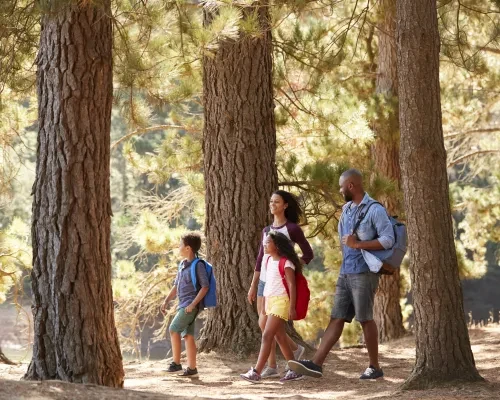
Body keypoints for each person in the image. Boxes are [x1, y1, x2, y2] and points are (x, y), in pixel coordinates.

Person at [288, 169, 395, 380]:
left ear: (351, 186)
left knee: (365, 319)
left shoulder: (375, 210)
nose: (339, 190)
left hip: (364, 272)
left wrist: (359, 244)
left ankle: (374, 367)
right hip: (346, 272)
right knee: (336, 317)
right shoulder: (346, 210)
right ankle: (316, 364)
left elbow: (388, 239)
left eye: (341, 186)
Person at [247, 190, 314, 378]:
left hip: (281, 285)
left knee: (269, 328)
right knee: (265, 326)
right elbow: (260, 260)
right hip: (264, 283)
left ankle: (278, 365)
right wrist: (253, 286)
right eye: (271, 201)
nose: (272, 205)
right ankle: (276, 364)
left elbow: (308, 254)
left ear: (285, 205)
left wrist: (290, 265)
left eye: (276, 202)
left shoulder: (292, 229)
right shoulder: (266, 231)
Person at [241, 231, 305, 383]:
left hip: (282, 302)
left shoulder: (286, 263)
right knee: (280, 337)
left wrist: (292, 307)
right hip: (269, 301)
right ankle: (294, 370)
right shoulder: (268, 260)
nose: (265, 244)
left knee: (267, 335)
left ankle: (256, 372)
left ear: (277, 245)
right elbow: (268, 284)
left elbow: (292, 285)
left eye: (268, 242)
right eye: (265, 242)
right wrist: (263, 304)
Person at [161, 232, 209, 378]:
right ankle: (192, 369)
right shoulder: (182, 265)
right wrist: (167, 300)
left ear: (188, 248)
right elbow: (176, 286)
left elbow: (205, 286)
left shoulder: (198, 265)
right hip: (183, 304)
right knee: (188, 336)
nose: (179, 247)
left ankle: (176, 364)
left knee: (173, 329)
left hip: (190, 306)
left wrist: (193, 305)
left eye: (181, 245)